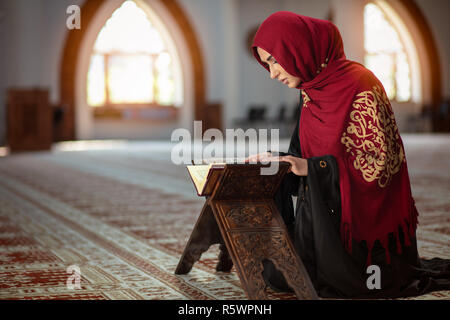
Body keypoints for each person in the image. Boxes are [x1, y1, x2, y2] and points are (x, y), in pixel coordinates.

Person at [250, 11, 450, 298]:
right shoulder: (310, 92)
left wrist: (310, 168)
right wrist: (277, 160)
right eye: (265, 64)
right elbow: (302, 157)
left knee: (342, 283)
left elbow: (379, 167)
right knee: (277, 273)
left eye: (274, 61)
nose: (273, 74)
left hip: (361, 232)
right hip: (321, 219)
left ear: (298, 49)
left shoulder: (360, 84)